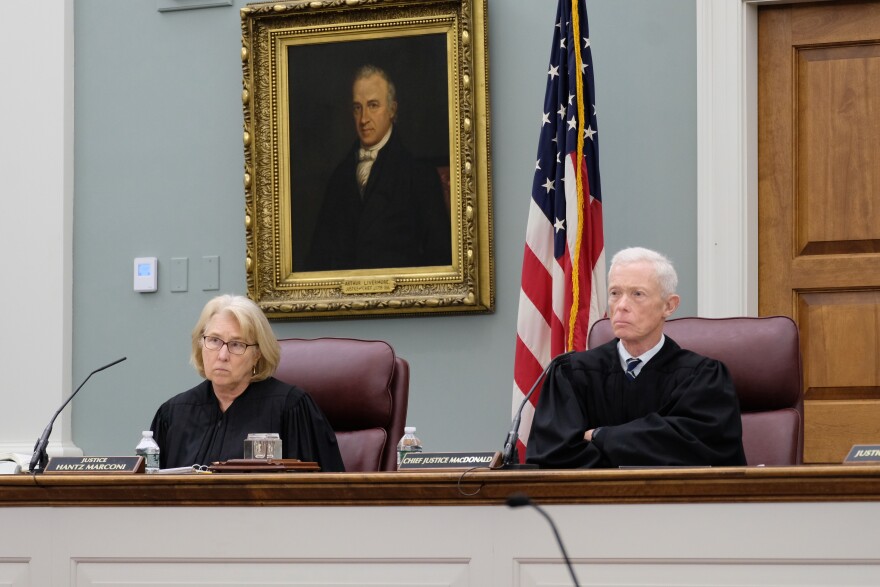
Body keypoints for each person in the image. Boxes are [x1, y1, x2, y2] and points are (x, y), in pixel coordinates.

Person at [526, 247, 747, 469]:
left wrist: (602, 436)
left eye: (637, 294)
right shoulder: (572, 374)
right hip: (593, 502)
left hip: (676, 502)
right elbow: (552, 457)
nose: (621, 306)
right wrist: (643, 452)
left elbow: (703, 451)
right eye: (615, 293)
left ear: (669, 306)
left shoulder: (703, 378)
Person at [150, 294, 345, 471]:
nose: (223, 355)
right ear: (201, 343)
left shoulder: (291, 408)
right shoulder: (173, 414)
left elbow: (326, 491)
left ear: (257, 355)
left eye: (237, 344)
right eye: (214, 340)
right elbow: (147, 494)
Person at [306, 64, 451, 271]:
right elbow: (317, 258)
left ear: (392, 109)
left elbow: (440, 262)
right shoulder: (339, 177)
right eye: (358, 107)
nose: (364, 119)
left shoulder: (419, 176)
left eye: (373, 105)